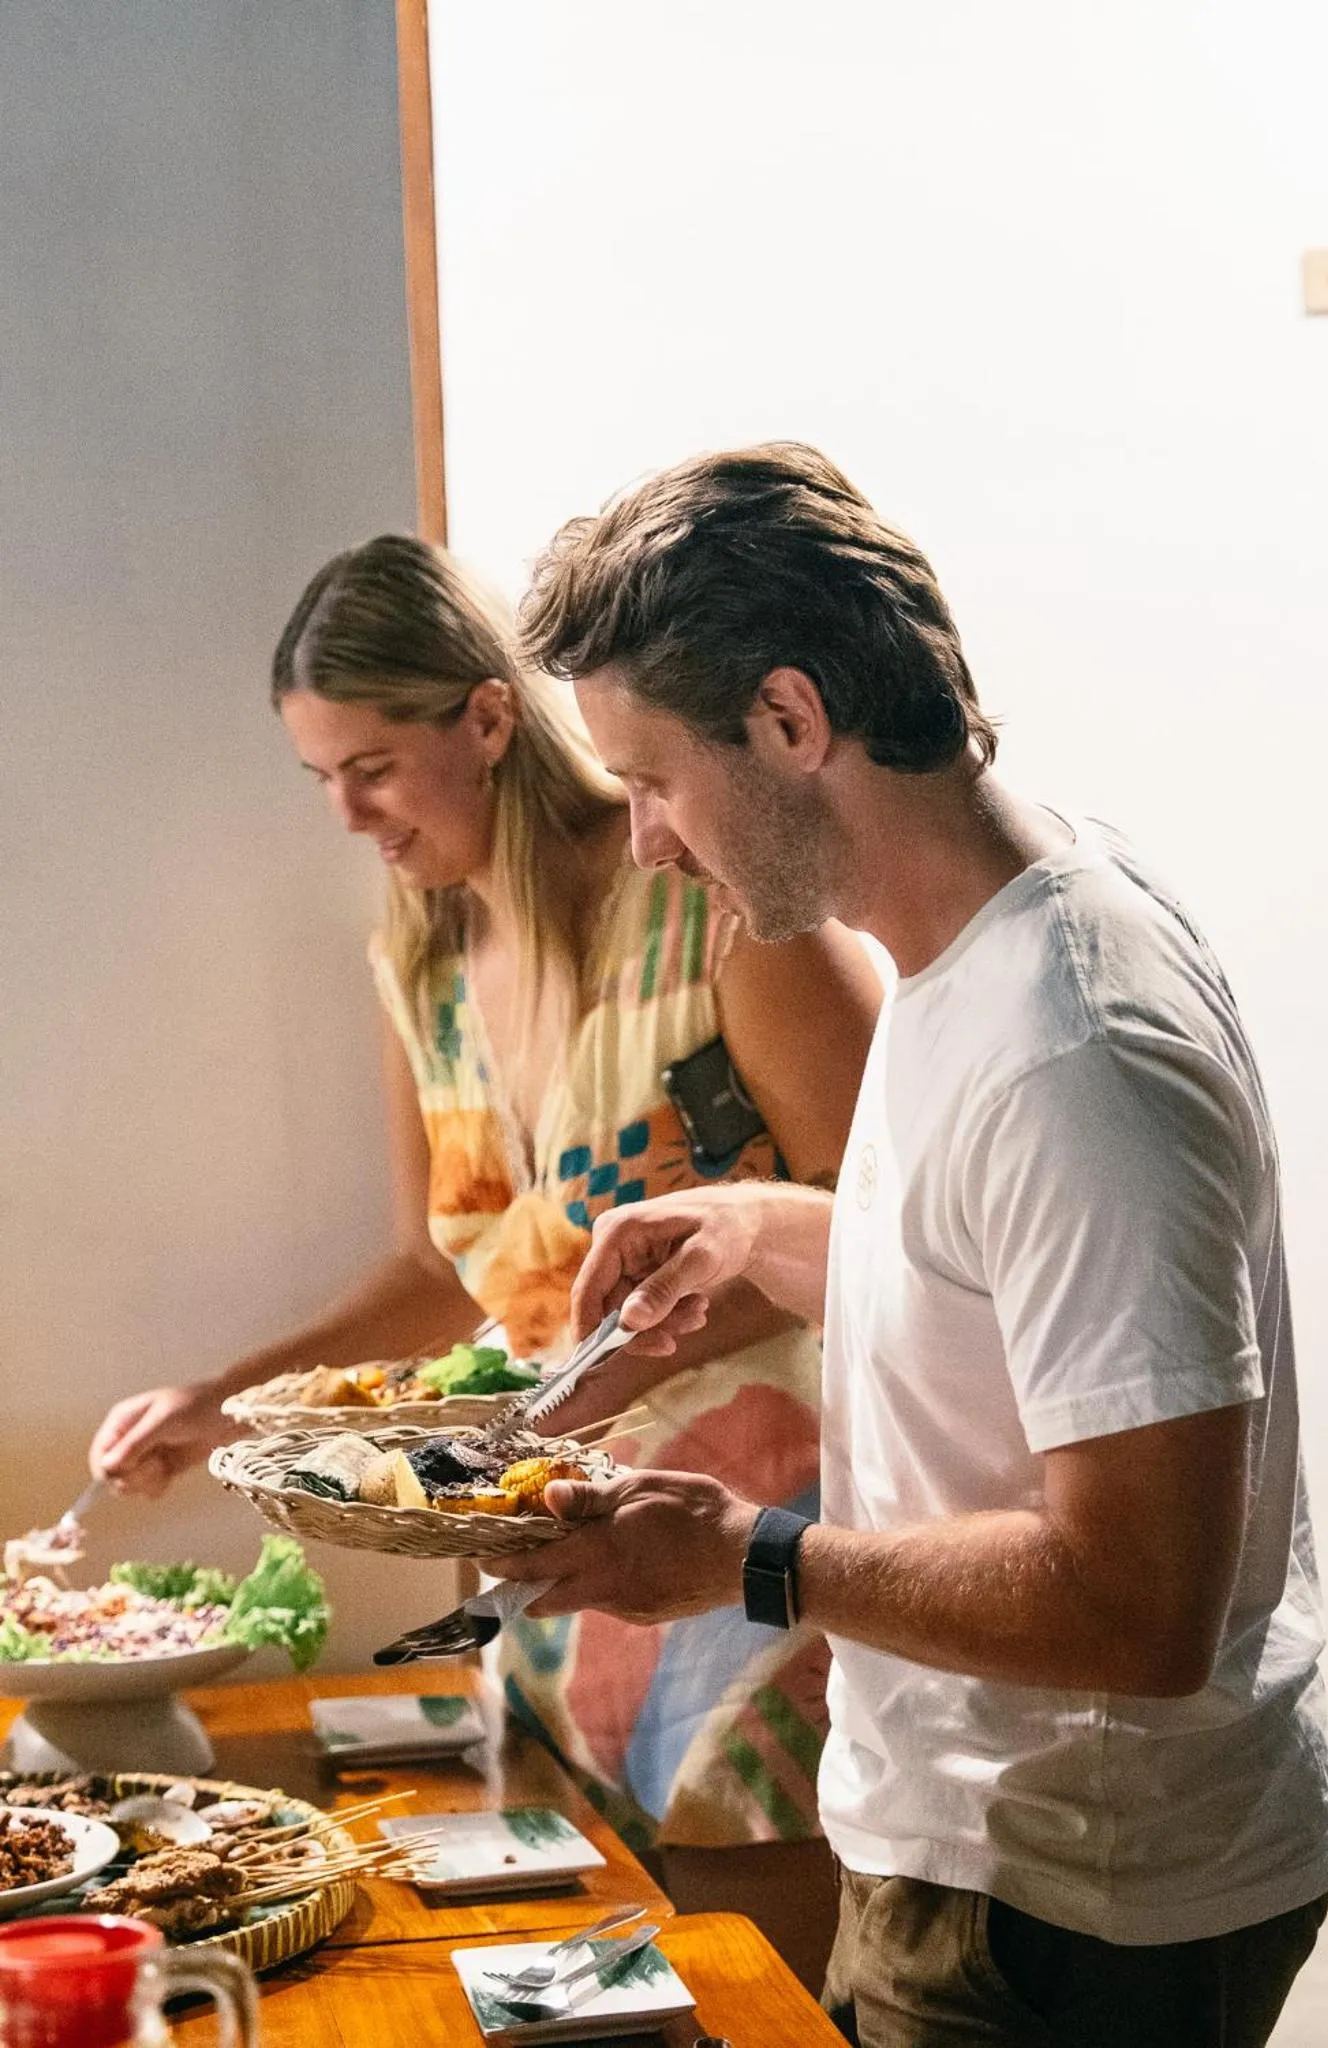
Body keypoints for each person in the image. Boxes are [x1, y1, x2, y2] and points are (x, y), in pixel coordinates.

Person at [492, 442, 1328, 2047]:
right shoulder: (976, 935)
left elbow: (1142, 1601)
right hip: (984, 1855)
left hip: (1068, 1899)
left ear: (793, 720)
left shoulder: (1074, 1045)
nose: (650, 844)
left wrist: (746, 1555)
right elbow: (995, 1289)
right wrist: (763, 1229)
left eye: (654, 780)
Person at [88, 534, 881, 1980]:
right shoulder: (424, 955)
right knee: (612, 1972)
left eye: (372, 767)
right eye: (319, 778)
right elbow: (452, 1270)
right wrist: (234, 1401)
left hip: (756, 1529)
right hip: (555, 1539)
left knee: (752, 1985)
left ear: (490, 718)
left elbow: (892, 1225)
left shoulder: (712, 899)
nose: (347, 815)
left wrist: (595, 1380)